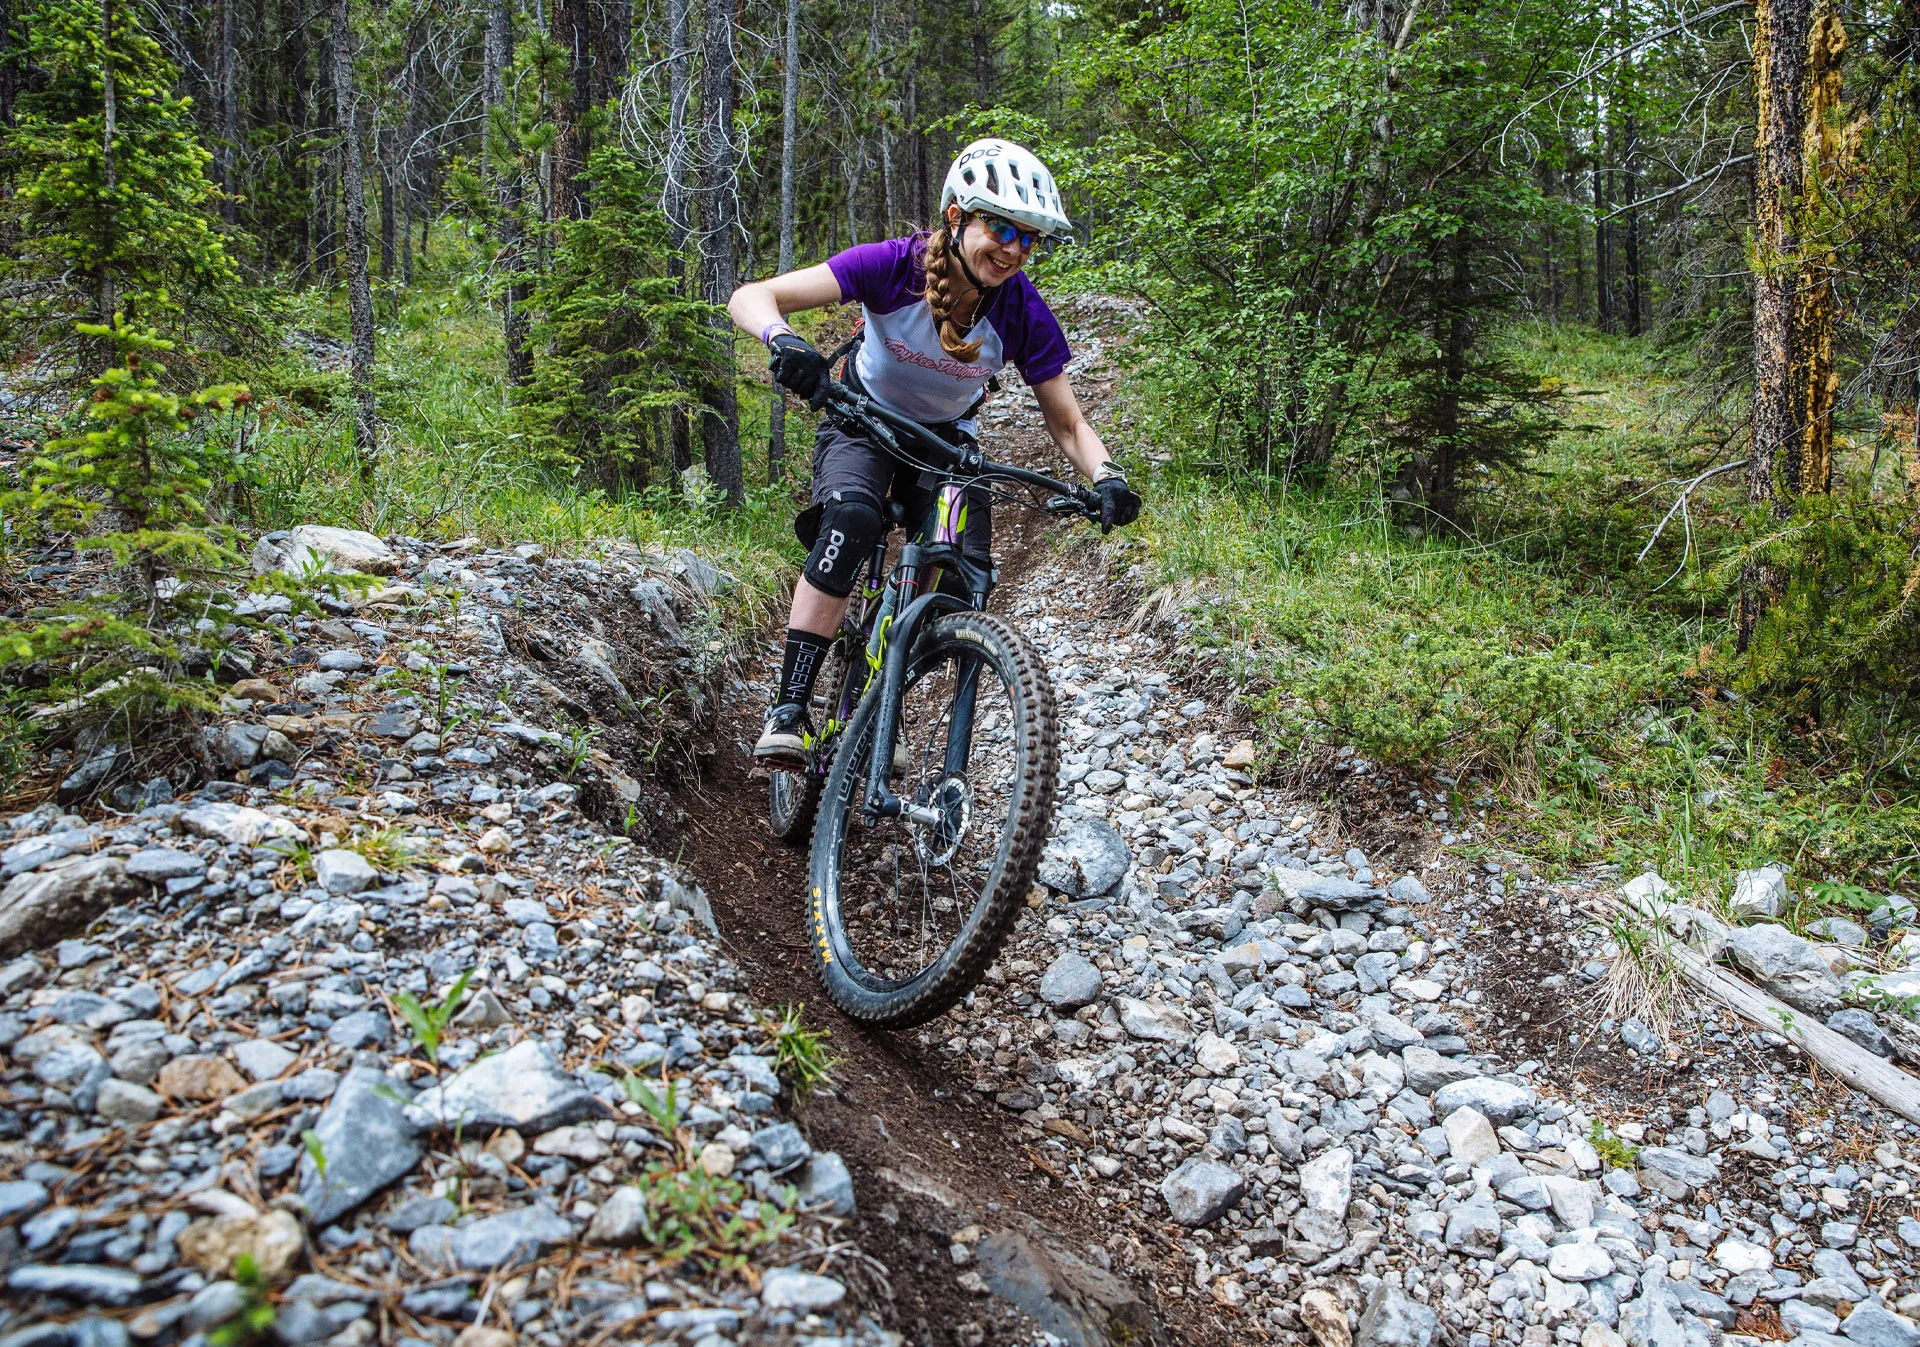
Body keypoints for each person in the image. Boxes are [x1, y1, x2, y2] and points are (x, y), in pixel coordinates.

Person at [727, 137, 1142, 769]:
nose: (1014, 250)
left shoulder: (1023, 311)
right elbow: (753, 296)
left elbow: (1067, 421)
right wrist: (784, 342)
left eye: (1030, 239)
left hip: (948, 445)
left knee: (962, 574)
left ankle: (882, 707)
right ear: (958, 217)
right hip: (861, 420)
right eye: (1002, 228)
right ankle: (789, 707)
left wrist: (1107, 474)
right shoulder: (893, 265)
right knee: (854, 521)